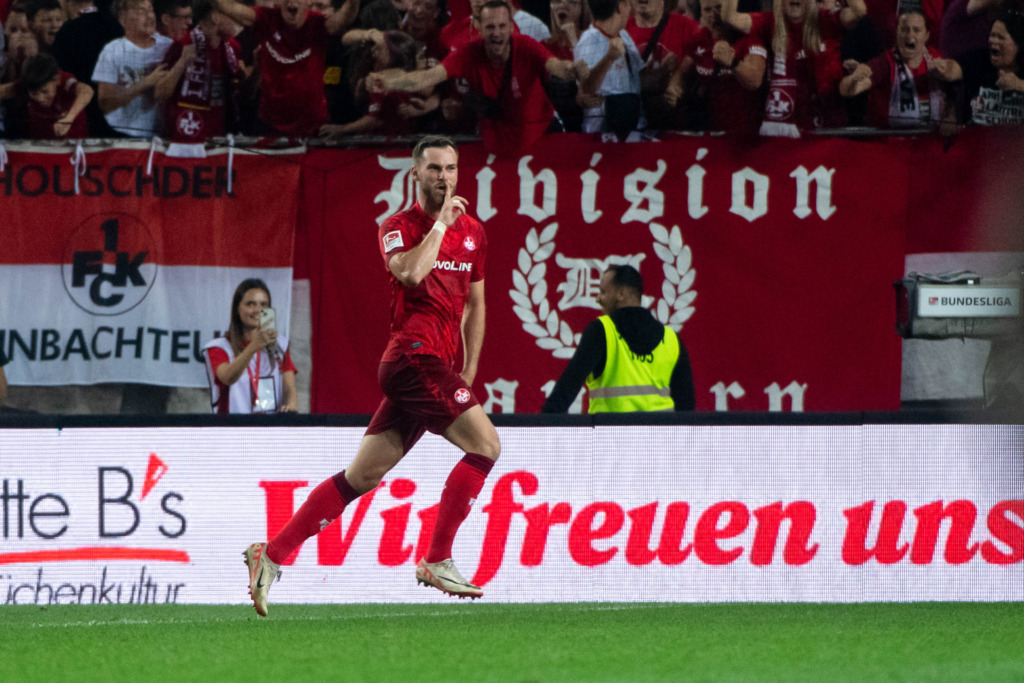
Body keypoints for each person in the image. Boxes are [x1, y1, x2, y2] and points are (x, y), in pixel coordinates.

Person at [243, 135, 501, 616]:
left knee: (361, 476)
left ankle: (271, 554)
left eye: (450, 169)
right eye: (434, 169)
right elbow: (411, 274)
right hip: (411, 359)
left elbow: (476, 303)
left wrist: (468, 369)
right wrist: (440, 226)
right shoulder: (397, 227)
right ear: (415, 174)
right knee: (486, 446)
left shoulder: (474, 233)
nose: (444, 178)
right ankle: (437, 557)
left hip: (436, 366)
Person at [369, 1, 580, 156]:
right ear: (479, 28)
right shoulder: (468, 53)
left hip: (541, 134)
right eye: (490, 27)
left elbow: (556, 66)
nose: (496, 33)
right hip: (499, 139)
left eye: (501, 27)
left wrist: (571, 69)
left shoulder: (526, 46)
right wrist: (388, 82)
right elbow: (426, 78)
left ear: (511, 27)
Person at [542, 264, 695, 413]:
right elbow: (687, 407)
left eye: (603, 292)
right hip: (660, 431)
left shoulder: (600, 331)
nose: (598, 299)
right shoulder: (672, 339)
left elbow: (567, 387)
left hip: (608, 430)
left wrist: (543, 425)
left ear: (621, 294)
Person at [211, 0, 358, 136]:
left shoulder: (318, 24)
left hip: (313, 127)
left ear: (307, 2)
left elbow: (346, 17)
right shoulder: (266, 18)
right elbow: (227, 6)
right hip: (270, 125)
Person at [721, 0, 865, 136]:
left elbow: (859, 11)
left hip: (829, 123)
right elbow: (729, 17)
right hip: (786, 125)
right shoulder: (769, 22)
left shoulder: (827, 19)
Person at [839, 10, 961, 131]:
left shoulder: (934, 57)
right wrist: (854, 79)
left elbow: (954, 77)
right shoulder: (885, 62)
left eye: (916, 30)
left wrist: (950, 115)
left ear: (926, 35)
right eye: (904, 29)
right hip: (892, 139)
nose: (910, 36)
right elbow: (847, 89)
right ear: (897, 33)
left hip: (929, 138)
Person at [202, 278, 299, 414]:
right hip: (231, 424)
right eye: (250, 304)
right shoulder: (219, 347)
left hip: (270, 424)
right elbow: (227, 378)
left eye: (263, 305)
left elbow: (289, 386)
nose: (258, 310)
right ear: (237, 308)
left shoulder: (280, 345)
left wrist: (291, 406)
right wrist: (254, 346)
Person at [154, 0, 243, 142]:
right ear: (216, 17)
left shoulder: (233, 48)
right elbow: (160, 93)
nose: (240, 21)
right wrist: (182, 62)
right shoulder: (183, 44)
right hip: (184, 135)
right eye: (234, 15)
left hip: (219, 137)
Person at [92, 0, 173, 137]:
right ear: (123, 19)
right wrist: (143, 84)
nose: (149, 16)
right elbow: (106, 103)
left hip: (163, 136)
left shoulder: (168, 46)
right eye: (141, 11)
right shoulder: (112, 50)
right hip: (124, 136)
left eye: (151, 10)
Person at [684, 0, 766, 135]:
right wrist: (674, 84)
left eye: (719, 8)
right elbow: (683, 74)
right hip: (710, 131)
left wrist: (733, 62)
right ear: (701, 15)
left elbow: (755, 80)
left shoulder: (749, 38)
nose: (714, 15)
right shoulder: (700, 38)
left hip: (746, 133)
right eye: (707, 10)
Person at [575, 0, 645, 137]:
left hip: (633, 126)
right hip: (602, 133)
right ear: (621, 6)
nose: (630, 9)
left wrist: (666, 70)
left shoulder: (623, 35)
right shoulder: (588, 41)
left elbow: (640, 77)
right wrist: (609, 58)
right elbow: (587, 88)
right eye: (627, 3)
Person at [626, 0, 699, 131]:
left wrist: (681, 74)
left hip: (674, 130)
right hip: (630, 129)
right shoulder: (619, 30)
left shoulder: (688, 27)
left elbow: (708, 52)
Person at [0, 52, 93, 137]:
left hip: (75, 145)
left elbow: (87, 91)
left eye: (44, 91)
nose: (40, 98)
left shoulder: (65, 81)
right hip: (40, 145)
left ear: (57, 80)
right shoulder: (26, 84)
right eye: (34, 93)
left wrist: (69, 118)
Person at [969, 9, 1024, 125]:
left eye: (1000, 37)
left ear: (1018, 45)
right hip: (981, 135)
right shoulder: (980, 63)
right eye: (992, 35)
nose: (992, 40)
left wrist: (1019, 85)